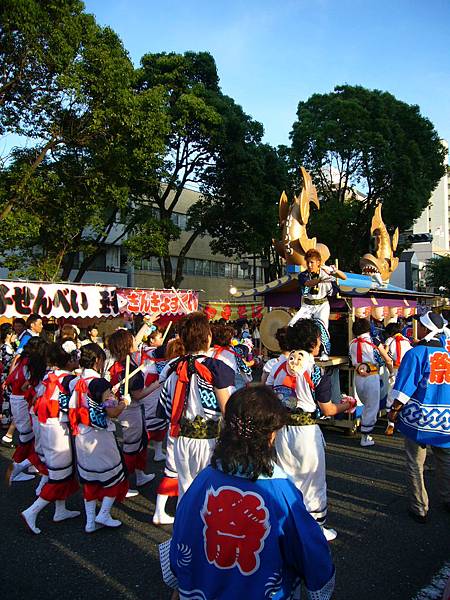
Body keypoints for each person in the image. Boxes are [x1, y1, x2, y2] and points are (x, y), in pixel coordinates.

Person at [160, 385, 335, 600]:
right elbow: (309, 547)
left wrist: (179, 580)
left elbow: (183, 529)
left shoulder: (205, 479)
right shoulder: (280, 491)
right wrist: (319, 583)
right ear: (271, 435)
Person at [267, 319, 354, 541]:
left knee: (286, 477)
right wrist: (347, 404)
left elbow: (267, 398)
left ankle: (285, 523)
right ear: (314, 341)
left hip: (282, 430)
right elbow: (328, 408)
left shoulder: (277, 367)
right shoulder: (315, 371)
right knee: (312, 480)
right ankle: (316, 527)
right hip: (306, 433)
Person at [157, 312, 235, 500]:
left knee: (186, 490)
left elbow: (166, 406)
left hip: (181, 439)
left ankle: (185, 527)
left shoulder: (172, 367)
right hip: (209, 440)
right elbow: (227, 410)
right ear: (208, 337)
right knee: (211, 493)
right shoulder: (216, 367)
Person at [387, 311, 450, 524]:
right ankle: (448, 498)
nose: (418, 329)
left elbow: (404, 389)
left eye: (420, 326)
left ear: (425, 330)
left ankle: (419, 507)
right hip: (445, 417)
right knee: (445, 460)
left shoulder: (416, 354)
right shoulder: (447, 354)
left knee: (415, 462)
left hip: (419, 418)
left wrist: (394, 410)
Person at [21, 340, 81, 534]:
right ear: (68, 360)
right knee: (59, 476)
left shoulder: (49, 375)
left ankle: (60, 510)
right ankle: (32, 511)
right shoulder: (68, 379)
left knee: (60, 472)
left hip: (46, 425)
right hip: (57, 429)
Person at [69, 343, 129, 532]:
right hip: (99, 437)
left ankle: (90, 522)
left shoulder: (76, 380)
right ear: (97, 360)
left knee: (89, 479)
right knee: (112, 475)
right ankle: (103, 513)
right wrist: (123, 403)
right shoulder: (101, 384)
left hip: (81, 434)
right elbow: (112, 412)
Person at [108, 328, 156, 495]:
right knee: (132, 446)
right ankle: (123, 484)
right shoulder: (125, 367)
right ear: (126, 345)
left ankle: (140, 474)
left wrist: (148, 322)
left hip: (133, 408)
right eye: (132, 341)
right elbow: (138, 394)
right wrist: (158, 383)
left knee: (141, 442)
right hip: (130, 409)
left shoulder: (125, 361)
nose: (136, 342)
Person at [289, 249, 347, 359]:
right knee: (293, 325)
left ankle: (325, 352)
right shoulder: (303, 275)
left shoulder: (326, 271)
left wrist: (335, 271)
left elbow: (344, 277)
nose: (309, 265)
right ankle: (297, 350)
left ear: (319, 262)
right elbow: (308, 283)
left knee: (322, 327)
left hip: (322, 305)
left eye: (312, 262)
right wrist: (321, 279)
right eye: (308, 262)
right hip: (307, 305)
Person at [5, 337, 48, 484]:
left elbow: (11, 379)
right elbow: (25, 385)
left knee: (29, 437)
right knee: (29, 437)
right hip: (24, 401)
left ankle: (28, 466)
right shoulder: (31, 361)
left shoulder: (22, 358)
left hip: (17, 398)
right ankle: (17, 465)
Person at [153, 337, 186, 526]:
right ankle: (165, 511)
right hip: (188, 427)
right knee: (180, 472)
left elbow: (162, 387)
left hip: (174, 424)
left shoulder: (169, 368)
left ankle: (164, 509)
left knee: (174, 470)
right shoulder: (188, 367)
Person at [349, 318, 393, 447]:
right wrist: (391, 373)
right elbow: (387, 359)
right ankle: (365, 436)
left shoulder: (352, 343)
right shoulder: (374, 341)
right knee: (372, 406)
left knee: (366, 404)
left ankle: (365, 430)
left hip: (358, 377)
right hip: (371, 376)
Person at [383, 321, 412, 435]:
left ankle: (391, 425)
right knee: (404, 396)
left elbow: (386, 356)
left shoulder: (389, 341)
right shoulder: (407, 341)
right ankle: (402, 424)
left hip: (394, 370)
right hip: (406, 371)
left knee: (392, 395)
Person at [209, 322, 253, 389]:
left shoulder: (209, 352)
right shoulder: (234, 351)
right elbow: (245, 350)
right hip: (234, 383)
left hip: (216, 384)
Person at [0, 323, 17, 445]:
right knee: (6, 398)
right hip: (7, 376)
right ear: (8, 334)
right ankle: (5, 423)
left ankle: (6, 422)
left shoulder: (8, 347)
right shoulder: (6, 348)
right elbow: (7, 364)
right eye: (13, 334)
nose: (15, 336)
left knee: (7, 399)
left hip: (7, 376)